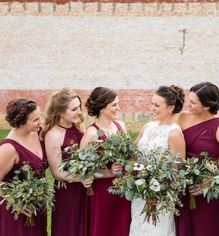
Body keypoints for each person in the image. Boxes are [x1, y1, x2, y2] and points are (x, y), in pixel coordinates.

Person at [175, 82, 219, 236]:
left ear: (207, 106)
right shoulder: (181, 118)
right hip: (182, 189)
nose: (188, 104)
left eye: (193, 102)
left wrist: (206, 185)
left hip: (208, 195)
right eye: (189, 99)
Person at [129, 85, 186, 236]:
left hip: (160, 197)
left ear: (170, 107)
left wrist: (157, 193)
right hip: (140, 191)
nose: (152, 108)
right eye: (152, 103)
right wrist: (142, 174)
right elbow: (132, 156)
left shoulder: (174, 133)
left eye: (157, 105)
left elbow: (177, 171)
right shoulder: (148, 126)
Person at [80, 87, 131, 236]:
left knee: (122, 227)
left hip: (122, 189)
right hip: (102, 192)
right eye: (114, 105)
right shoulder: (91, 134)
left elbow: (128, 157)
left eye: (118, 104)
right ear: (102, 108)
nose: (118, 108)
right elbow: (82, 172)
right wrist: (108, 172)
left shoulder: (120, 126)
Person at [41, 88, 92, 236]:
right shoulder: (53, 135)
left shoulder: (78, 127)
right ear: (61, 111)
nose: (79, 112)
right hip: (68, 193)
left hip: (85, 188)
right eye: (74, 109)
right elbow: (57, 172)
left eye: (79, 107)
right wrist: (81, 178)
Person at [0, 98, 48, 236]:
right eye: (35, 120)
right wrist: (16, 200)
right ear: (21, 123)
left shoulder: (37, 134)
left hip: (37, 207)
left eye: (40, 117)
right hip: (16, 211)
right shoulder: (8, 148)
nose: (40, 122)